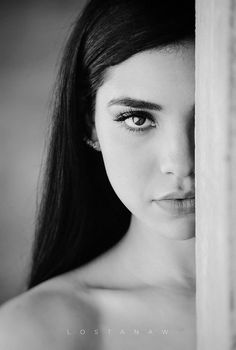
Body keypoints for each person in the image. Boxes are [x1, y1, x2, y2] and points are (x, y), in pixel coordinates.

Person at [0, 0, 196, 349]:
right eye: (137, 118)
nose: (181, 163)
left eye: (216, 118)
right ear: (90, 124)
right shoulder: (38, 333)